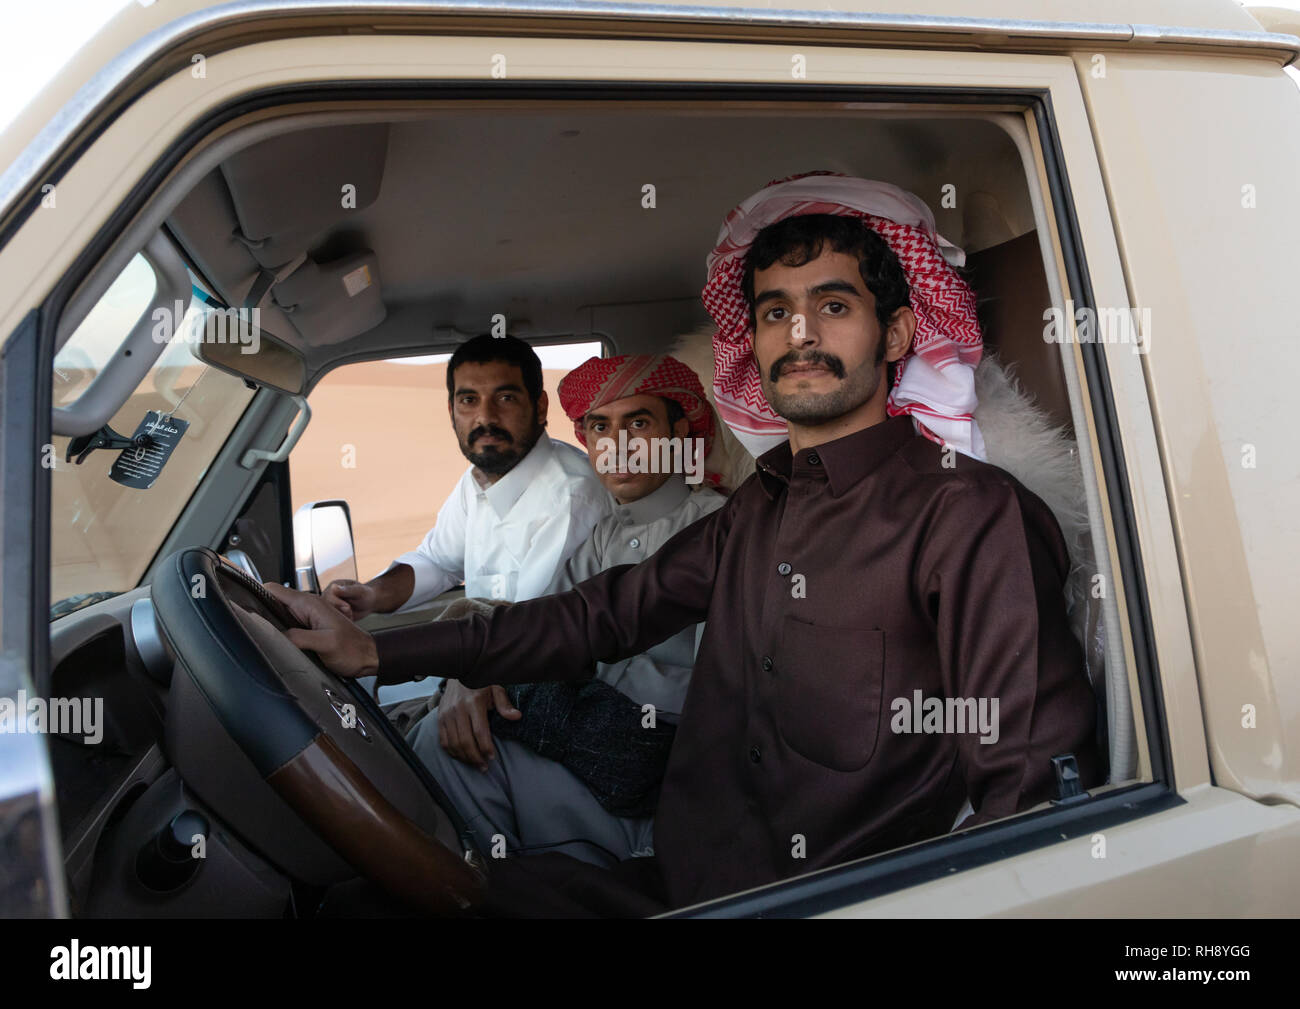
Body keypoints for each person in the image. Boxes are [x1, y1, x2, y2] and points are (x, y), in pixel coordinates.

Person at [267, 172, 1102, 913]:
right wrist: (376, 651)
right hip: (678, 878)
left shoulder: (968, 516)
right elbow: (594, 617)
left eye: (834, 305)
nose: (801, 333)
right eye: (777, 310)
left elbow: (1027, 810)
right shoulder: (755, 510)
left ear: (893, 335)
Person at [403, 354, 727, 867]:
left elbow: (721, 694)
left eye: (637, 423)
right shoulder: (605, 535)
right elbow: (545, 626)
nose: (616, 446)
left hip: (661, 760)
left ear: (679, 431)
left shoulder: (719, 529)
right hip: (594, 726)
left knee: (449, 748)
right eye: (600, 427)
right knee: (438, 727)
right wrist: (477, 667)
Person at [322, 334, 610, 622]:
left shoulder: (572, 497)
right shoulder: (478, 480)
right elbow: (437, 562)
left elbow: (526, 629)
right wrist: (370, 595)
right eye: (469, 400)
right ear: (452, 411)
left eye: (505, 398)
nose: (485, 417)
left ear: (540, 407)